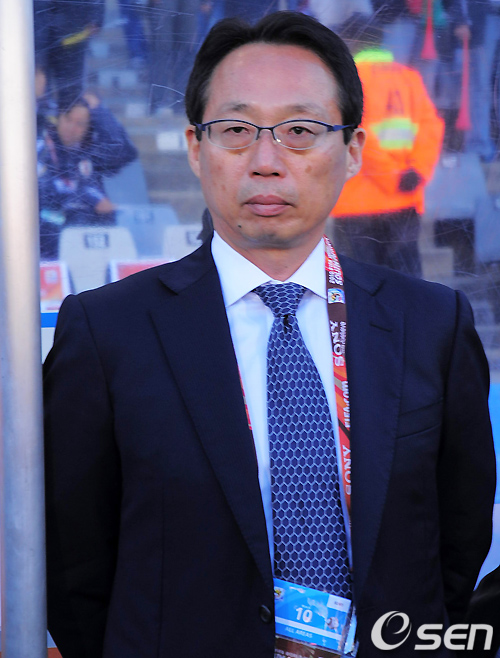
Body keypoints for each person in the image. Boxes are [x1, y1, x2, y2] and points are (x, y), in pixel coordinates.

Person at [44, 11, 496, 658]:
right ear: (195, 148)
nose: (266, 161)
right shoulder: (107, 332)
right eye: (236, 131)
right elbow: (74, 563)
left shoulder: (432, 325)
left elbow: (457, 539)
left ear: (354, 150)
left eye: (300, 131)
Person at [332, 13, 444, 277]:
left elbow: (355, 135)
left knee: (360, 287)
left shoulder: (345, 83)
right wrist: (417, 171)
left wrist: (390, 177)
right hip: (404, 200)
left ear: (351, 42)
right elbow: (431, 127)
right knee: (407, 286)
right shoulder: (408, 77)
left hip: (357, 204)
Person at [38, 93, 138, 259]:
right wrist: (92, 198)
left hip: (87, 237)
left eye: (80, 124)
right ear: (59, 119)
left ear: (87, 128)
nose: (72, 128)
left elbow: (125, 152)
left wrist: (100, 112)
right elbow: (45, 194)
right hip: (47, 241)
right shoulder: (41, 149)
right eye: (68, 119)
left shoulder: (88, 151)